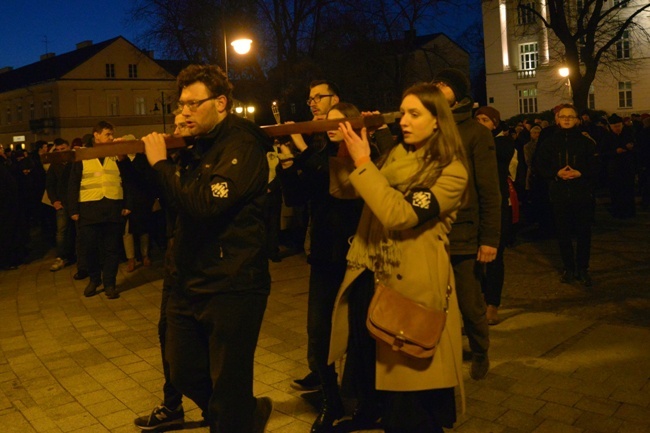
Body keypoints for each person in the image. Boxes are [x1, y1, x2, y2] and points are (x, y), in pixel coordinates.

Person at [328, 83, 468, 433]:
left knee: (412, 403)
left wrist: (362, 161)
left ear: (438, 121)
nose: (404, 120)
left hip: (413, 290)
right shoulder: (394, 156)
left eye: (415, 113)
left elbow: (399, 215)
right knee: (379, 387)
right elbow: (346, 189)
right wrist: (346, 150)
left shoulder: (451, 170)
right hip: (372, 276)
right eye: (402, 112)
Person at [140, 64, 273, 433]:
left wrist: (164, 164)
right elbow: (169, 199)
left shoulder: (242, 146)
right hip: (190, 278)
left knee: (228, 383)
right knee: (181, 369)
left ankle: (235, 417)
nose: (183, 112)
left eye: (192, 104)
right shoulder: (196, 146)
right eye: (180, 105)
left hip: (232, 281)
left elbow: (203, 205)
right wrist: (172, 158)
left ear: (221, 103)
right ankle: (242, 414)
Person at [277, 100, 393, 432]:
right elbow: (298, 197)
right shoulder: (318, 154)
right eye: (327, 121)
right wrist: (287, 162)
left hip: (362, 258)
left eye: (339, 121)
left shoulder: (367, 154)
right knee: (319, 335)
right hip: (326, 260)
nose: (331, 126)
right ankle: (331, 401)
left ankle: (368, 404)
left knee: (361, 336)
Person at [432, 68, 501, 380]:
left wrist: (489, 239)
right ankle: (436, 349)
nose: (437, 87)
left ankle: (480, 350)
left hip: (463, 231)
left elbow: (489, 190)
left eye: (444, 83)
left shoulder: (475, 132)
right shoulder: (427, 127)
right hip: (430, 231)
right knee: (433, 299)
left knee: (470, 301)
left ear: (457, 94)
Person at [135, 114, 197, 431]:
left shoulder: (197, 158)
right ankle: (173, 404)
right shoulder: (168, 161)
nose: (177, 127)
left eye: (185, 121)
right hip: (175, 258)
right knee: (167, 332)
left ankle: (222, 403)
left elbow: (189, 198)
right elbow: (146, 187)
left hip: (201, 260)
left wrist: (164, 162)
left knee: (197, 337)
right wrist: (134, 156)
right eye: (175, 122)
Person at [287, 80, 341, 393]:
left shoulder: (345, 135)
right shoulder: (318, 138)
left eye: (318, 97)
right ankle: (320, 372)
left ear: (336, 98)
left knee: (343, 317)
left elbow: (333, 176)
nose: (312, 104)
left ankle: (347, 382)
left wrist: (302, 147)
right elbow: (300, 195)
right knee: (318, 319)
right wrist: (288, 161)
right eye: (309, 99)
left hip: (347, 240)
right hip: (321, 239)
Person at [534, 104, 598, 286]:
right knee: (563, 233)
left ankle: (583, 268)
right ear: (557, 120)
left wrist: (580, 173)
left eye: (571, 116)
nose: (567, 119)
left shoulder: (586, 142)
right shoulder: (549, 142)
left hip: (582, 193)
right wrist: (556, 173)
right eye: (563, 116)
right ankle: (568, 268)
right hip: (559, 193)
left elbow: (595, 165)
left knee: (584, 233)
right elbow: (540, 165)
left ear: (577, 120)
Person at [68, 121, 130, 299]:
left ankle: (110, 283)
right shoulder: (83, 154)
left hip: (112, 206)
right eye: (107, 134)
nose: (111, 137)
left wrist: (127, 204)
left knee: (112, 249)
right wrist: (73, 208)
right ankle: (95, 280)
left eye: (111, 134)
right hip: (89, 207)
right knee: (90, 248)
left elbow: (127, 179)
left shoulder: (116, 154)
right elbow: (73, 182)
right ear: (96, 135)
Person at [475, 106, 515, 326]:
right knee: (473, 258)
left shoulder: (502, 143)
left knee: (495, 257)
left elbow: (497, 155)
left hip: (496, 206)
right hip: (475, 206)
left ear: (495, 124)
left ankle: (493, 303)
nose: (481, 123)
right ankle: (479, 298)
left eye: (485, 120)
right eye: (477, 119)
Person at [46, 138, 76, 272]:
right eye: (57, 150)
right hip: (62, 203)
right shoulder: (55, 165)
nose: (60, 152)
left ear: (68, 148)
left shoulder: (75, 162)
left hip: (76, 201)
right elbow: (50, 184)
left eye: (63, 149)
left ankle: (79, 256)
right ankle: (62, 256)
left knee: (78, 231)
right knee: (61, 232)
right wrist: (54, 201)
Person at [601, 114, 636, 218]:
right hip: (614, 169)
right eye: (615, 126)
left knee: (628, 191)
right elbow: (603, 153)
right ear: (610, 127)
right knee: (616, 191)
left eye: (619, 126)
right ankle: (618, 212)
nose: (618, 128)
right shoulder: (607, 137)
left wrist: (631, 148)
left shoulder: (628, 134)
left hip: (627, 168)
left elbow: (637, 149)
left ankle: (629, 212)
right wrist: (615, 151)